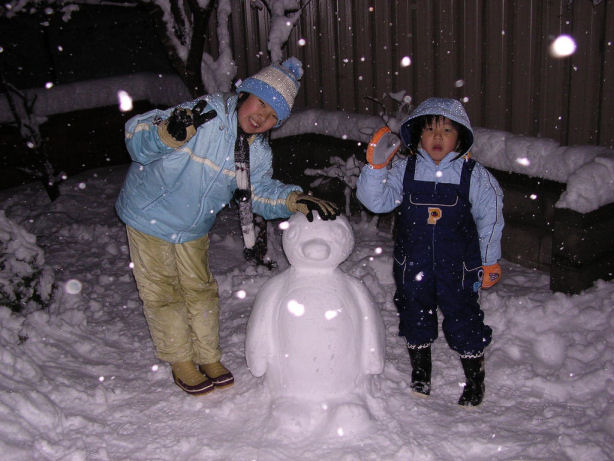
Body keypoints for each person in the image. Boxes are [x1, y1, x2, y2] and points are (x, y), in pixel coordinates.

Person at [115, 57, 338, 396]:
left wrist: (292, 199)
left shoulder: (257, 153)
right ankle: (181, 360)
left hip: (193, 226)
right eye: (260, 103)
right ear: (244, 93)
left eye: (272, 115)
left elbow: (256, 193)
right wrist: (166, 134)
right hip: (149, 215)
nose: (261, 117)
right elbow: (136, 136)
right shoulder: (204, 115)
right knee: (163, 293)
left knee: (201, 290)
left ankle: (207, 355)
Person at [356, 97, 504, 406]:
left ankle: (475, 379)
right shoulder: (405, 169)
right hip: (413, 263)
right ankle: (421, 372)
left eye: (447, 130)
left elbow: (490, 218)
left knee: (464, 318)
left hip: (459, 267)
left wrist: (489, 261)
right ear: (418, 135)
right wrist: (375, 168)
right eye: (430, 130)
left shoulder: (473, 175)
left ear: (460, 137)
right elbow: (377, 202)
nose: (438, 137)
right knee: (415, 314)